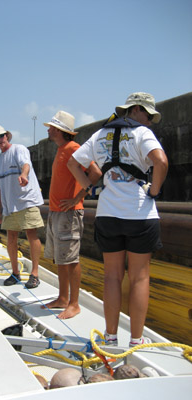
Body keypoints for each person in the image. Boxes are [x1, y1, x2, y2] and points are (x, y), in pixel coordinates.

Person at [67, 92, 168, 345]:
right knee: (139, 277)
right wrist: (154, 192)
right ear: (137, 110)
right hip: (139, 213)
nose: (149, 122)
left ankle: (110, 337)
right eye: (148, 116)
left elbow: (72, 163)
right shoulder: (142, 134)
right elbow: (161, 161)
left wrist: (89, 188)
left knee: (112, 276)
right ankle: (136, 339)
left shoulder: (100, 134)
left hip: (108, 214)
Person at [43, 111, 102, 319]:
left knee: (71, 259)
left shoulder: (73, 149)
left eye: (51, 127)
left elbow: (95, 173)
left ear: (59, 130)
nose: (48, 129)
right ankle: (62, 298)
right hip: (57, 212)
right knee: (61, 258)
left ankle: (74, 304)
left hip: (69, 214)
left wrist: (77, 199)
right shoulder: (62, 149)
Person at [0, 125, 44, 289]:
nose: (0, 139)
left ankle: (34, 274)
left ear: (7, 136)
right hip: (8, 204)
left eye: (2, 135)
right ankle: (15, 273)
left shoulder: (19, 149)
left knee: (31, 234)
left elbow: (25, 164)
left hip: (26, 200)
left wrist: (24, 174)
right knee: (11, 238)